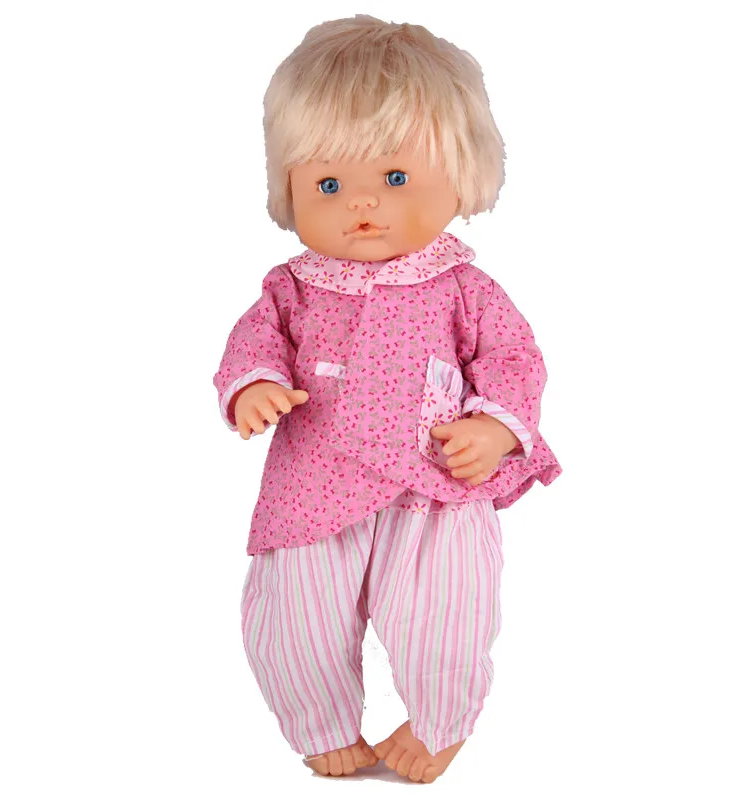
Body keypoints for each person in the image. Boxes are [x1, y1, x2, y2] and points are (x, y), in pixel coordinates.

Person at [212, 15, 562, 783]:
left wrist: (495, 429)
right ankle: (320, 723)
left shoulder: (463, 288)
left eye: (395, 178)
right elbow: (253, 343)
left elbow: (513, 359)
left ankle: (440, 722)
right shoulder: (293, 288)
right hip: (311, 487)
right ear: (288, 189)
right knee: (293, 625)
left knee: (448, 620)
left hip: (432, 488)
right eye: (328, 185)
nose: (361, 203)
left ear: (462, 174)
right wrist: (254, 385)